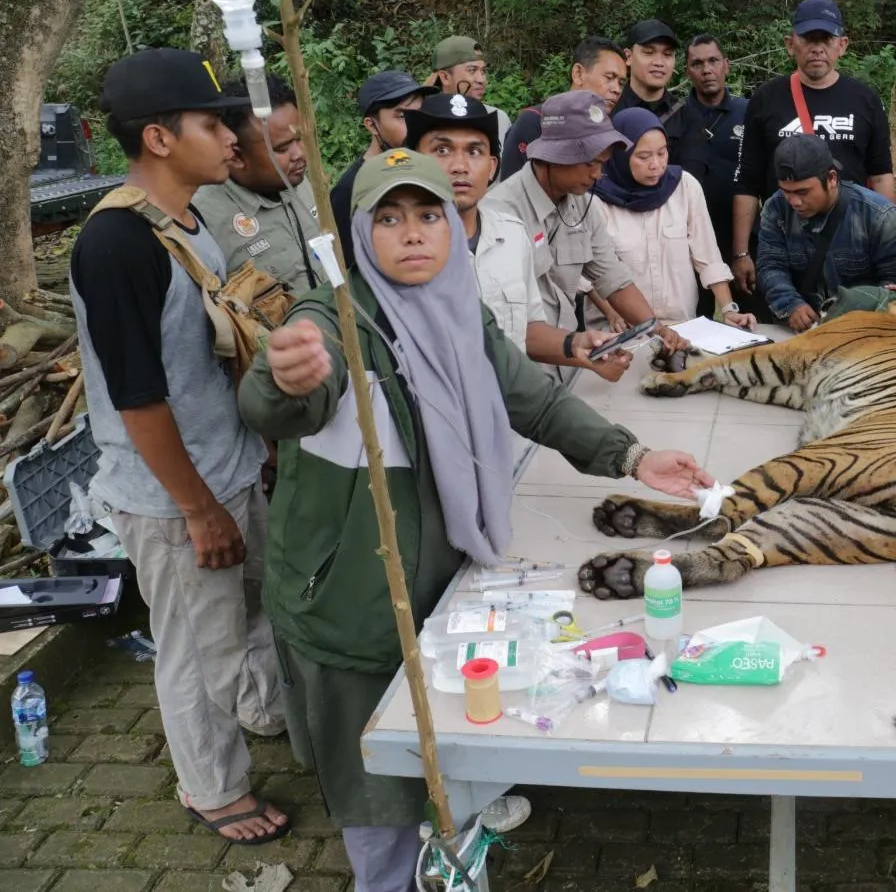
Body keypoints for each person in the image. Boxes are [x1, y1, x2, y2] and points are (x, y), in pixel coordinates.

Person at [239, 149, 715, 892]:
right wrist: (281, 373)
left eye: (428, 215)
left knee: (451, 744)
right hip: (347, 601)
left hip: (443, 578)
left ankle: (453, 855)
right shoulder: (332, 318)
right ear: (360, 234)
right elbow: (278, 403)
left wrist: (632, 455)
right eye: (388, 219)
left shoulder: (462, 308)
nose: (413, 234)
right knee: (373, 779)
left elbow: (532, 397)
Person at [69, 48, 286, 845]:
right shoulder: (116, 244)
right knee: (197, 648)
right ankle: (211, 786)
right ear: (159, 138)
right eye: (213, 122)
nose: (234, 136)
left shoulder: (192, 220)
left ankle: (261, 711)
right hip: (170, 497)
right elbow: (138, 397)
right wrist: (197, 510)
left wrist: (252, 446)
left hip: (227, 465)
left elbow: (212, 356)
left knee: (254, 612)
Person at [402, 91, 634, 381]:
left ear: (492, 167)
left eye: (473, 151)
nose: (459, 166)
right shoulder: (396, 253)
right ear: (413, 161)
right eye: (442, 150)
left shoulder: (509, 236)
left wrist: (576, 345)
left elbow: (527, 330)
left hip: (526, 399)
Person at [485, 90, 687, 350]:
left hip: (569, 367)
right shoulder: (501, 214)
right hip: (525, 369)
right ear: (552, 157)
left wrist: (656, 330)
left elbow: (613, 279)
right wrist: (574, 348)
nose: (598, 174)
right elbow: (504, 324)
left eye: (602, 163)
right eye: (590, 162)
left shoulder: (583, 205)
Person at [731, 0, 896, 304]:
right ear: (790, 44)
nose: (817, 48)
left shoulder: (866, 100)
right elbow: (747, 182)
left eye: (826, 39)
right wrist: (741, 252)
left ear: (842, 44)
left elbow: (882, 175)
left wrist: (886, 241)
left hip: (852, 240)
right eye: (808, 39)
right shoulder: (765, 100)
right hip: (783, 239)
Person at [587, 107, 758, 328]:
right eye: (643, 156)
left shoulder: (684, 186)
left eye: (662, 152)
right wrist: (613, 314)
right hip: (620, 330)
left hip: (680, 326)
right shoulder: (594, 200)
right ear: (620, 155)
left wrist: (728, 309)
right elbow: (589, 274)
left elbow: (707, 257)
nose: (656, 164)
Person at [756, 134, 896, 331]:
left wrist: (851, 318)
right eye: (787, 191)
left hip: (865, 331)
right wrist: (791, 305)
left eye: (803, 192)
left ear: (831, 178)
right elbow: (771, 266)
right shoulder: (776, 208)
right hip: (801, 332)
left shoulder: (879, 215)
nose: (794, 201)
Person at [193, 72, 319, 295]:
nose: (299, 154)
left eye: (300, 139)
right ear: (236, 157)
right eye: (281, 149)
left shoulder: (300, 182)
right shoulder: (205, 220)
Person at [330, 70, 430, 260]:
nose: (415, 125)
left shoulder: (425, 170)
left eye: (419, 114)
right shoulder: (350, 189)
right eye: (401, 116)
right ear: (371, 125)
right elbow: (352, 264)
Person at [499, 36, 629, 181]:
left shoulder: (609, 132)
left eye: (621, 83)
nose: (616, 89)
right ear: (578, 74)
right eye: (609, 77)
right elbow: (510, 187)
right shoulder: (536, 120)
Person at [686, 33, 749, 287]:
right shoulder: (676, 116)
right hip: (691, 237)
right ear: (687, 71)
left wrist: (743, 251)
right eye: (697, 64)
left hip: (743, 235)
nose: (707, 70)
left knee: (751, 317)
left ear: (727, 65)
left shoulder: (748, 112)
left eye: (713, 61)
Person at [617, 19, 712, 183]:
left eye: (667, 54)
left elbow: (689, 182)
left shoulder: (687, 118)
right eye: (648, 52)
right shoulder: (610, 109)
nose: (659, 63)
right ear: (628, 56)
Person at [429, 34, 513, 142]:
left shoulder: (498, 119)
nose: (481, 80)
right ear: (445, 77)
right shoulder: (423, 119)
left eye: (483, 71)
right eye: (472, 70)